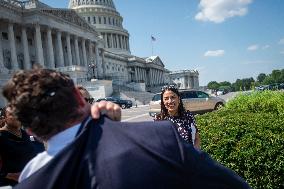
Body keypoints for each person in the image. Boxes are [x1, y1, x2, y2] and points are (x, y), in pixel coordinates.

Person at [3, 68, 250, 189]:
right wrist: (110, 129)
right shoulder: (159, 137)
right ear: (80, 100)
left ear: (31, 130)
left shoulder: (31, 181)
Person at [0, 106, 43, 186]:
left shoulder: (25, 134)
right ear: (4, 118)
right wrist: (10, 175)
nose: (17, 116)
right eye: (12, 114)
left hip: (30, 183)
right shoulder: (1, 136)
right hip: (8, 185)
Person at [154, 85, 201, 149]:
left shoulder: (188, 116)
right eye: (166, 98)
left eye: (173, 97)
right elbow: (157, 145)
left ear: (178, 99)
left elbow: (196, 138)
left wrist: (195, 154)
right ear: (163, 102)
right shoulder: (158, 119)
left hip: (188, 156)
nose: (170, 101)